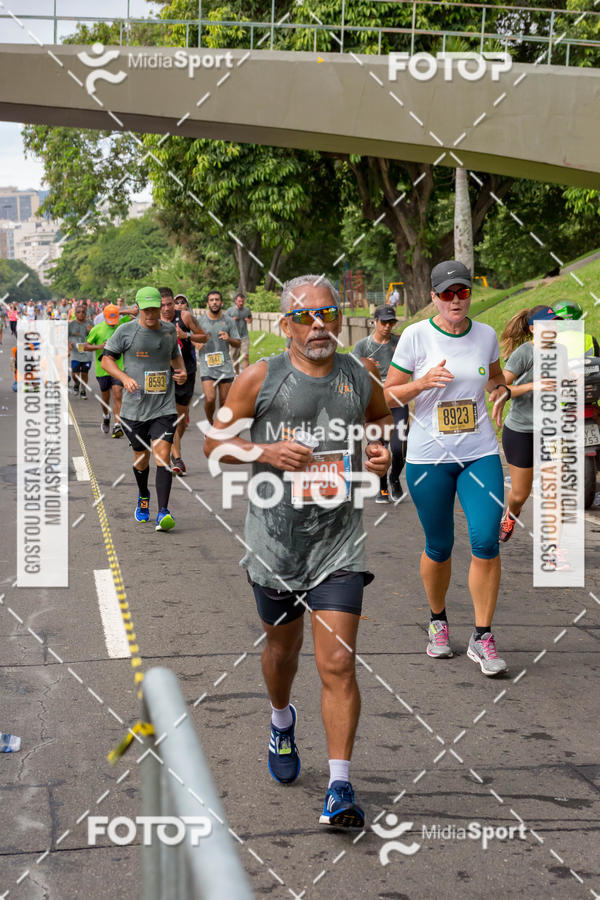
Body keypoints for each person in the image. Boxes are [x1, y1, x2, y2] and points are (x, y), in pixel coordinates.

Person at [204, 274, 391, 829]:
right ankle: (281, 720)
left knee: (337, 662)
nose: (319, 326)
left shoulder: (357, 374)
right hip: (276, 544)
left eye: (328, 315)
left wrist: (380, 450)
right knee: (282, 655)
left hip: (340, 543)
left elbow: (380, 418)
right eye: (307, 317)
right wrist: (264, 451)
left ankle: (339, 787)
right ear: (286, 324)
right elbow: (213, 443)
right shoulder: (260, 378)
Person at [384, 260, 511, 677]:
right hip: (428, 458)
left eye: (462, 292)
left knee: (485, 540)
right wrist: (420, 383)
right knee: (439, 545)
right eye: (447, 294)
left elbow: (493, 377)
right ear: (434, 298)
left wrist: (503, 389)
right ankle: (437, 621)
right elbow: (388, 396)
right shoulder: (416, 337)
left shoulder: (486, 335)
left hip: (479, 452)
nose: (456, 300)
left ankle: (483, 636)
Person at [102, 286, 187, 532]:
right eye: (146, 309)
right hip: (134, 409)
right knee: (141, 460)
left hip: (163, 406)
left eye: (155, 309)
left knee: (163, 457)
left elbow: (176, 357)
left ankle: (163, 512)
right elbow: (107, 359)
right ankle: (143, 495)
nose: (151, 314)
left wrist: (180, 373)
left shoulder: (170, 331)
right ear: (138, 307)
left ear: (161, 308)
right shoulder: (126, 331)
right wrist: (124, 378)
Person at [498, 306, 563, 542]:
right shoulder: (524, 354)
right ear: (534, 329)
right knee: (519, 493)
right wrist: (532, 386)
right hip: (521, 431)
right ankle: (511, 514)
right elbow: (500, 390)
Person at [353, 306, 407, 503]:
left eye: (391, 322)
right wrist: (368, 369)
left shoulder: (399, 343)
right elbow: (353, 373)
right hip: (375, 402)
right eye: (383, 322)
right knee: (378, 447)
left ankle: (394, 478)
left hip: (397, 400)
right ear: (374, 321)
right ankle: (382, 487)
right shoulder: (362, 346)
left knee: (400, 449)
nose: (387, 326)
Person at [159, 287, 208, 474]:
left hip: (186, 371)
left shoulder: (185, 317)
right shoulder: (152, 320)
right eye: (162, 305)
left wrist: (186, 336)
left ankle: (171, 444)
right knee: (169, 417)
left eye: (169, 304)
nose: (166, 309)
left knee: (180, 420)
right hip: (164, 373)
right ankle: (177, 459)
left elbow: (204, 336)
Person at [84, 304, 132, 437]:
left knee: (118, 393)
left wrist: (120, 310)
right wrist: (100, 346)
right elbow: (85, 347)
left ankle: (117, 425)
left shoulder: (122, 324)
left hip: (118, 367)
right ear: (104, 317)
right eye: (110, 320)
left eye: (114, 320)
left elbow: (137, 312)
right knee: (105, 397)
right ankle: (106, 415)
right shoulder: (97, 329)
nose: (113, 324)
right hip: (103, 369)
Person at [197, 290, 241, 423]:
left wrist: (229, 339)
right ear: (207, 303)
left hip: (225, 366)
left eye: (217, 300)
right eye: (211, 300)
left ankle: (219, 426)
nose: (214, 302)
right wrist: (197, 343)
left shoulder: (229, 321)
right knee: (210, 398)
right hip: (207, 366)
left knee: (224, 401)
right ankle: (210, 422)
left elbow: (238, 343)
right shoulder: (200, 321)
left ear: (221, 303)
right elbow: (192, 337)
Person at [68, 303, 93, 398]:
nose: (81, 314)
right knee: (75, 374)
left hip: (86, 353)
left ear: (86, 313)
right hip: (75, 353)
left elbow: (96, 337)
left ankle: (83, 390)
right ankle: (76, 383)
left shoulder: (90, 324)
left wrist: (91, 331)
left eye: (83, 312)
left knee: (85, 373)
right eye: (78, 312)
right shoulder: (71, 325)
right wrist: (68, 344)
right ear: (75, 313)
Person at [226, 292, 253, 373]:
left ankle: (246, 375)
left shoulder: (247, 310)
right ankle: (237, 374)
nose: (241, 303)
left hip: (244, 336)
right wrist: (232, 320)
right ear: (235, 301)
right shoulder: (230, 311)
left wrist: (249, 320)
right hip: (234, 337)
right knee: (235, 357)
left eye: (242, 301)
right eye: (239, 301)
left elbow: (250, 318)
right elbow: (224, 323)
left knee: (245, 356)